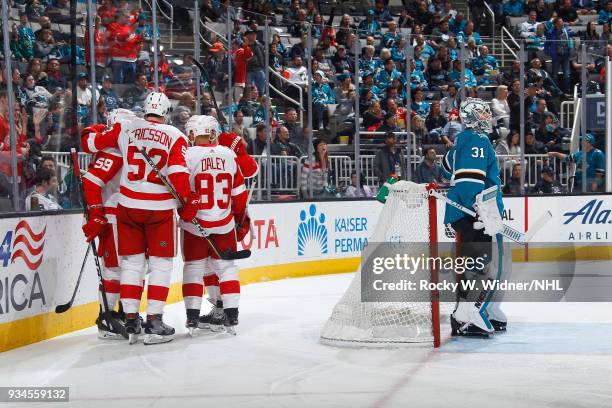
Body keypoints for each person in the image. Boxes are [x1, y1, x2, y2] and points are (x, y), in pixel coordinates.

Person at [81, 92, 197, 345]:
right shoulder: (175, 135)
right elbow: (177, 175)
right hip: (159, 210)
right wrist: (187, 203)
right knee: (160, 265)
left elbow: (91, 144)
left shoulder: (126, 128)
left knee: (131, 264)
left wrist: (94, 128)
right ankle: (154, 320)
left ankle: (132, 319)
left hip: (128, 206)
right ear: (166, 112)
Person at [439, 98, 506, 337]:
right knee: (482, 267)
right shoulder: (477, 139)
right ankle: (464, 316)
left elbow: (447, 169)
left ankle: (474, 311)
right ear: (472, 117)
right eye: (482, 114)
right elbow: (469, 180)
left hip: (471, 212)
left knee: (482, 266)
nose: (487, 118)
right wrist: (478, 208)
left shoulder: (464, 141)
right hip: (473, 213)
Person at [179, 115, 249, 335]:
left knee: (193, 268)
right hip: (224, 223)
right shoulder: (229, 154)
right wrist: (240, 220)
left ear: (192, 134)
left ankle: (191, 319)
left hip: (195, 224)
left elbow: (180, 189)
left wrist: (183, 211)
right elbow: (239, 194)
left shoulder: (187, 155)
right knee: (227, 269)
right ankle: (232, 317)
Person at [81, 109, 137, 340]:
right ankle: (107, 317)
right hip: (114, 216)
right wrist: (96, 213)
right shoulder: (114, 149)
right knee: (114, 269)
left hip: (129, 215)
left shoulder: (128, 147)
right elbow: (92, 181)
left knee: (134, 267)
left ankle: (126, 313)